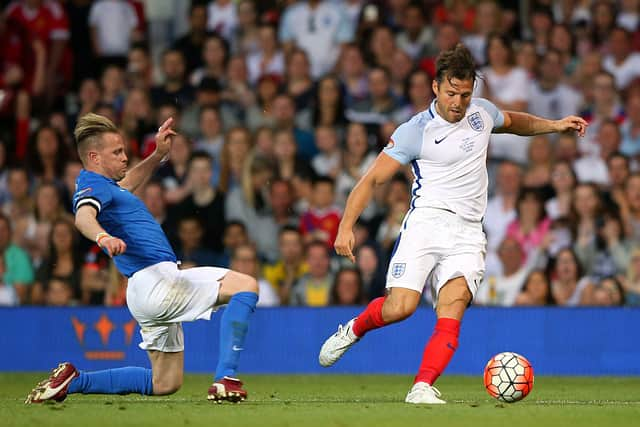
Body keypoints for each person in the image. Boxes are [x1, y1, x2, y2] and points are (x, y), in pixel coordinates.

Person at [318, 44, 587, 404]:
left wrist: (554, 125)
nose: (458, 102)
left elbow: (513, 122)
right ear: (435, 88)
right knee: (401, 308)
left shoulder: (481, 113)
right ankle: (354, 328)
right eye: (451, 94)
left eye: (465, 93)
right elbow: (371, 180)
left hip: (469, 232)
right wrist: (345, 227)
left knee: (453, 306)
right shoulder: (416, 130)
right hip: (426, 224)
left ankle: (422, 386)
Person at [25, 113, 259, 404]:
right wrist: (103, 237)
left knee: (164, 382)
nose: (125, 157)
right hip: (157, 281)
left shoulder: (106, 188)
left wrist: (158, 154)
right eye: (117, 152)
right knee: (246, 285)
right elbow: (83, 217)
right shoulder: (92, 187)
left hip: (142, 290)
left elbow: (128, 184)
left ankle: (75, 380)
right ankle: (226, 378)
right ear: (95, 157)